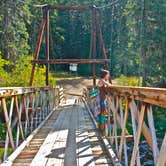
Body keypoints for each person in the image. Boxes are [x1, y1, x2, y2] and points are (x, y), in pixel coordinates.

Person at [96, 68, 112, 135]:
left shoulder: (101, 80)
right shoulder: (102, 81)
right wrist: (107, 81)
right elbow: (110, 85)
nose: (108, 75)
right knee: (102, 114)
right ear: (105, 75)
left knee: (101, 114)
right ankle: (102, 130)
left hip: (100, 100)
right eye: (108, 74)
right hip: (101, 100)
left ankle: (100, 129)